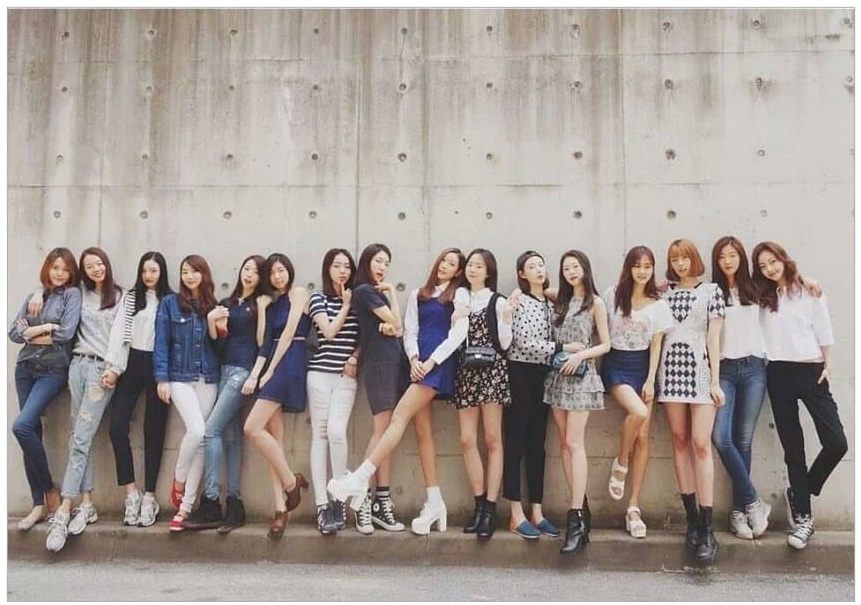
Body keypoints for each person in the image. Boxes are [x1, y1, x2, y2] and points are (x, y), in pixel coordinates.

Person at [326, 247, 469, 537]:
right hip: (414, 364)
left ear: (458, 272)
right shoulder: (418, 293)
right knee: (422, 431)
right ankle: (435, 501)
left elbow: (457, 334)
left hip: (437, 363)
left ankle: (360, 478)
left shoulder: (460, 294)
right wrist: (414, 359)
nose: (445, 265)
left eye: (452, 263)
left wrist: (430, 362)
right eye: (443, 259)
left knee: (398, 418)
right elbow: (409, 330)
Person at [752, 241, 847, 550]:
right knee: (793, 449)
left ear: (783, 259)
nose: (769, 269)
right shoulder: (762, 299)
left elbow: (824, 330)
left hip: (812, 371)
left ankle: (800, 490)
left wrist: (828, 364)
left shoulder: (809, 290)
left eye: (772, 261)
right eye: (763, 266)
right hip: (778, 374)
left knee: (836, 443)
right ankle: (804, 519)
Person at [45, 247, 123, 552]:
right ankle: (87, 504)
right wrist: (38, 293)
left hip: (102, 373)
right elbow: (54, 291)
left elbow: (123, 339)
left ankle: (64, 510)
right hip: (77, 366)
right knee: (79, 437)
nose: (96, 269)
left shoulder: (121, 296)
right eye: (89, 266)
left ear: (107, 264)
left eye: (99, 263)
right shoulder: (77, 293)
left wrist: (115, 369)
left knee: (79, 439)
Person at [326, 243, 407, 535]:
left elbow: (397, 328)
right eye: (378, 261)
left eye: (387, 262)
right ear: (366, 262)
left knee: (387, 433)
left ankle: (380, 501)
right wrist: (393, 297)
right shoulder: (364, 291)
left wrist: (391, 301)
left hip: (391, 362)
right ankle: (363, 499)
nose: (383, 267)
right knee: (382, 429)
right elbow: (395, 322)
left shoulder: (374, 292)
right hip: (380, 364)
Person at [185, 255, 268, 533]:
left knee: (211, 431)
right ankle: (234, 503)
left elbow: (262, 342)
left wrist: (262, 310)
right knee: (230, 437)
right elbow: (218, 345)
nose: (249, 274)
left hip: (242, 373)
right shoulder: (227, 304)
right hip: (223, 371)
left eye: (255, 272)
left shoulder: (260, 304)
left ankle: (211, 501)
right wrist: (212, 322)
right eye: (246, 268)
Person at [657, 239, 725, 563]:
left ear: (694, 259)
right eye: (674, 259)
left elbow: (714, 338)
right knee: (680, 440)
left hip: (700, 372)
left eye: (685, 258)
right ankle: (692, 522)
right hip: (670, 372)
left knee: (700, 443)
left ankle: (708, 526)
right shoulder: (664, 294)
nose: (680, 264)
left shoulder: (712, 292)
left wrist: (714, 381)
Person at [9, 248, 82, 532]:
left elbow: (65, 333)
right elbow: (14, 333)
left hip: (52, 371)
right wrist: (43, 330)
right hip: (25, 369)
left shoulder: (72, 295)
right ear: (47, 268)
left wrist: (39, 329)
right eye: (55, 267)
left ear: (71, 272)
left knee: (21, 426)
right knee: (30, 432)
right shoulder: (34, 295)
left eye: (65, 269)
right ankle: (38, 504)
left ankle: (51, 490)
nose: (60, 273)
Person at [603, 246, 672, 541]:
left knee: (643, 437)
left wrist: (651, 380)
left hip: (643, 368)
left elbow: (656, 345)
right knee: (639, 412)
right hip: (616, 366)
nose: (642, 271)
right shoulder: (613, 295)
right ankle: (621, 462)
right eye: (637, 265)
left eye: (647, 266)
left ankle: (633, 508)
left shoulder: (658, 305)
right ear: (629, 268)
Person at [544, 250, 609, 554]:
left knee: (574, 442)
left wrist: (581, 355)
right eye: (566, 268)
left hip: (582, 376)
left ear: (585, 268)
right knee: (564, 444)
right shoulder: (558, 299)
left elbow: (606, 344)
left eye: (575, 266)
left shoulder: (596, 303)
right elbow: (538, 288)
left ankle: (575, 519)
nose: (571, 272)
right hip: (558, 377)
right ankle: (581, 511)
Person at [103, 251, 173, 528]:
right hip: (131, 363)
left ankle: (150, 496)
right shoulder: (131, 297)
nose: (148, 276)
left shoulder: (170, 300)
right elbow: (118, 333)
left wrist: (168, 375)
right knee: (116, 427)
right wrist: (113, 366)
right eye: (144, 271)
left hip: (159, 366)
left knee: (154, 432)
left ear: (162, 272)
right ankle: (131, 493)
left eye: (153, 271)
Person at [710, 236, 773, 540]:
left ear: (741, 257)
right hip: (724, 370)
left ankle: (738, 512)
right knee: (721, 437)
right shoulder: (712, 292)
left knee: (743, 440)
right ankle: (754, 501)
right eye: (722, 256)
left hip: (754, 369)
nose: (728, 261)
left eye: (732, 255)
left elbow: (787, 282)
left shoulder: (757, 288)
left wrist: (808, 281)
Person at [243, 253, 310, 538]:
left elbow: (290, 331)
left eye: (281, 270)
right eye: (272, 273)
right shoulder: (272, 304)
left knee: (251, 428)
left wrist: (269, 371)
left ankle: (291, 482)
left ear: (289, 270)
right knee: (274, 438)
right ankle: (281, 509)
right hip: (272, 362)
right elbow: (263, 341)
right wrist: (261, 309)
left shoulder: (299, 293)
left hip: (289, 362)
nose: (277, 276)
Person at [153, 254, 221, 532]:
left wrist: (217, 323)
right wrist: (161, 378)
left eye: (195, 271)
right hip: (179, 378)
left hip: (208, 377)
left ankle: (185, 508)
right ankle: (179, 479)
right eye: (185, 271)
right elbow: (161, 343)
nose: (189, 276)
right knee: (196, 429)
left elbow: (220, 347)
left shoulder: (213, 306)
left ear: (204, 275)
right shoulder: (170, 303)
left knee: (202, 440)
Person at [451, 248, 513, 539]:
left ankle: (490, 508)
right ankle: (478, 505)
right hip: (466, 370)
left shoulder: (497, 300)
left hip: (491, 371)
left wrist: (507, 317)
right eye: (471, 265)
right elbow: (455, 338)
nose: (473, 269)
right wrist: (456, 317)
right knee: (466, 439)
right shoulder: (461, 297)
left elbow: (505, 343)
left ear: (489, 272)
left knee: (492, 439)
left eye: (479, 265)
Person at [503, 250, 560, 540]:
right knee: (516, 440)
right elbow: (522, 341)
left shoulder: (551, 303)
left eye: (541, 264)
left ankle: (537, 511)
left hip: (543, 375)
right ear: (521, 274)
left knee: (538, 442)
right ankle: (515, 514)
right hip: (519, 372)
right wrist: (559, 349)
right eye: (531, 266)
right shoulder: (518, 301)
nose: (539, 269)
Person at [306, 249, 360, 535]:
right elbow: (328, 332)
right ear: (327, 269)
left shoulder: (358, 299)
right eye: (337, 265)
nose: (342, 271)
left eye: (347, 266)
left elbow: (365, 336)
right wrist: (346, 306)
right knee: (320, 435)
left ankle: (338, 497)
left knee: (337, 432)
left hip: (345, 377)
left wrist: (354, 357)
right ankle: (322, 505)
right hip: (319, 374)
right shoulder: (318, 298)